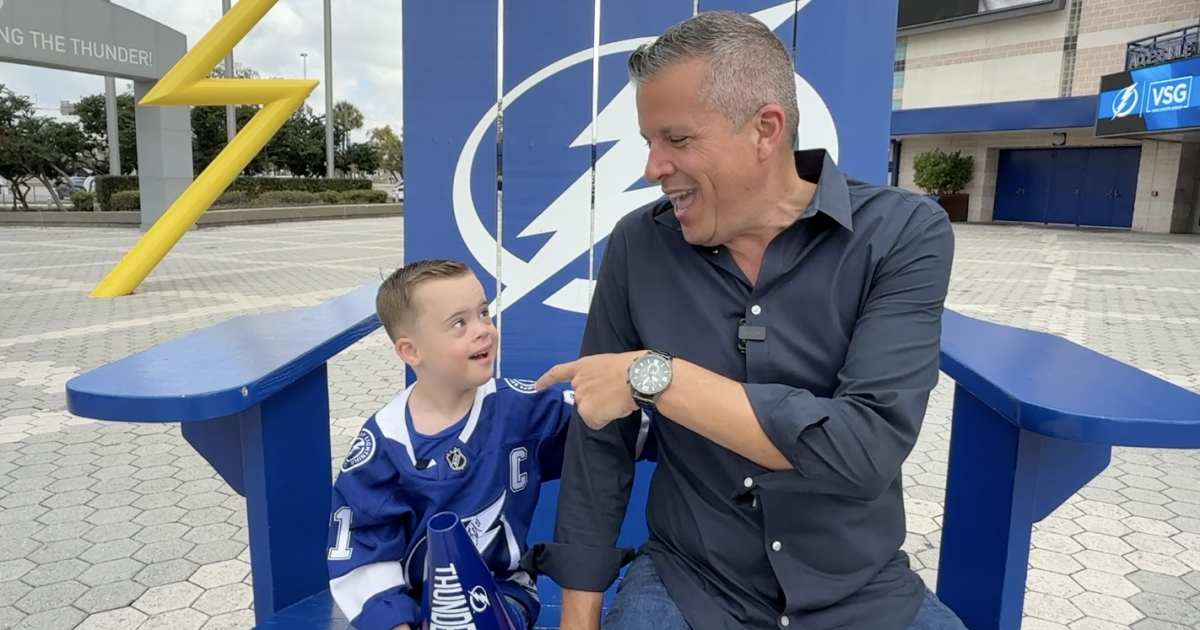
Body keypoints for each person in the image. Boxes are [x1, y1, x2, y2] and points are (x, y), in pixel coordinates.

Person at [519, 9, 965, 630]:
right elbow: (601, 444)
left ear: (765, 129)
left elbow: (867, 449)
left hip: (857, 590)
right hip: (690, 580)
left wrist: (659, 377)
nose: (653, 167)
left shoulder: (902, 233)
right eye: (649, 142)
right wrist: (578, 619)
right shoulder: (637, 246)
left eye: (676, 139)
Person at [326, 259, 644, 630]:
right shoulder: (386, 443)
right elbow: (364, 546)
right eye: (459, 323)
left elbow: (608, 426)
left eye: (483, 313)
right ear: (411, 351)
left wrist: (679, 418)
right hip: (407, 601)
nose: (483, 330)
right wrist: (395, 622)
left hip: (502, 591)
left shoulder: (524, 407)